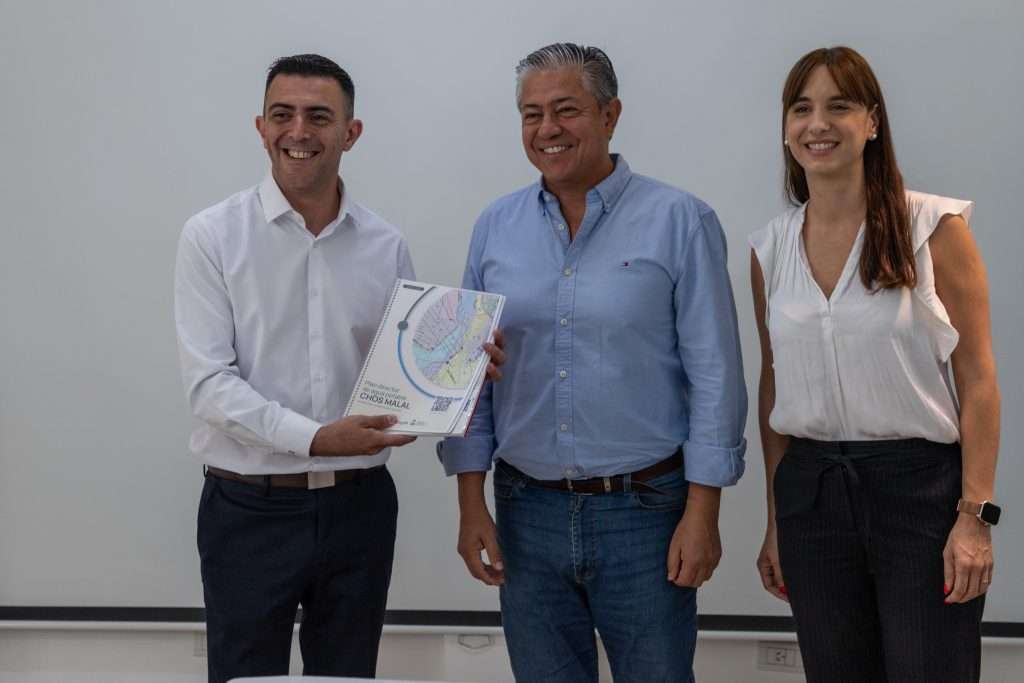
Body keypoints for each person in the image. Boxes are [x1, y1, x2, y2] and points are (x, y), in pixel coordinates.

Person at [174, 53, 503, 683]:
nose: (299, 131)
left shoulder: (386, 244)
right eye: (283, 115)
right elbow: (211, 387)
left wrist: (459, 371)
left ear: (350, 133)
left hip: (360, 508)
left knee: (350, 677)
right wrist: (317, 438)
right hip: (248, 510)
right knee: (243, 678)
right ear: (261, 127)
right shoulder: (212, 236)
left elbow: (404, 372)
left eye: (318, 116)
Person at [439, 43, 747, 682]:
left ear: (610, 115)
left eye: (566, 110)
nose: (547, 129)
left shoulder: (680, 221)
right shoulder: (495, 226)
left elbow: (715, 373)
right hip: (527, 511)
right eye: (531, 114)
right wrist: (471, 501)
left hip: (646, 513)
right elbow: (470, 375)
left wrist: (703, 510)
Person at [750, 46, 1000, 683]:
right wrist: (777, 522)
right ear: (785, 127)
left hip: (918, 495)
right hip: (812, 497)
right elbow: (775, 386)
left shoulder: (933, 228)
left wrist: (975, 518)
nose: (818, 124)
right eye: (802, 107)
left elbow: (978, 382)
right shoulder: (770, 247)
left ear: (873, 122)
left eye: (839, 105)